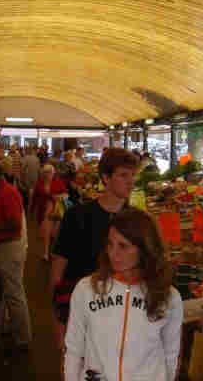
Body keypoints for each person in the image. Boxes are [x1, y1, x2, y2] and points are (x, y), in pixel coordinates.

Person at [64, 209, 183, 381]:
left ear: (144, 249)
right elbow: (73, 349)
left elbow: (171, 355)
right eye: (110, 244)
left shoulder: (169, 297)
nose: (113, 253)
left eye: (123, 246)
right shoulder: (86, 289)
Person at [50, 148, 138, 347]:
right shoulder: (77, 216)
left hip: (121, 316)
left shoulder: (136, 221)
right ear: (106, 178)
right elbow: (58, 269)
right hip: (83, 314)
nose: (131, 181)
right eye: (123, 175)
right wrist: (58, 320)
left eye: (133, 175)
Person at [0, 160, 31, 352]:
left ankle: (23, 339)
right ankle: (1, 331)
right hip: (2, 246)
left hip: (10, 248)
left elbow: (14, 224)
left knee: (14, 293)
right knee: (3, 291)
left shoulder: (8, 193)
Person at [32, 164, 66, 261]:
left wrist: (58, 197)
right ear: (43, 173)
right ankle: (46, 252)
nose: (47, 174)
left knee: (54, 233)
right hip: (43, 211)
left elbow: (66, 194)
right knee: (46, 232)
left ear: (53, 173)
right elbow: (35, 197)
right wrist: (32, 210)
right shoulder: (39, 183)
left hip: (56, 211)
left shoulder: (58, 182)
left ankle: (52, 252)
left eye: (49, 172)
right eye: (45, 172)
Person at [20, 146, 40, 214]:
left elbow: (22, 169)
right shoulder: (36, 158)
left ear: (27, 151)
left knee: (27, 196)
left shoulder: (25, 158)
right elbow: (38, 170)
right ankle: (32, 209)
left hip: (27, 179)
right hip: (35, 178)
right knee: (32, 195)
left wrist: (22, 178)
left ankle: (27, 210)